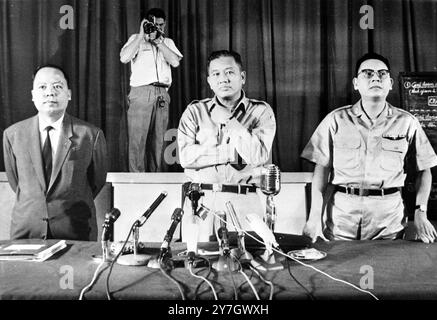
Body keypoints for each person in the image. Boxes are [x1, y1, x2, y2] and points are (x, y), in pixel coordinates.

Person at [301, 52, 437, 244]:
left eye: (382, 74)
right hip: (341, 219)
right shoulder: (335, 120)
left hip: (388, 221)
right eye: (368, 73)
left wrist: (421, 212)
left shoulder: (407, 123)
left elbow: (425, 170)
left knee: (388, 271)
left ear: (390, 83)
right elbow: (321, 170)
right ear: (356, 83)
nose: (375, 78)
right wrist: (314, 217)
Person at [178, 50, 276, 242]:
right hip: (201, 200)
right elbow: (186, 157)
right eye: (216, 74)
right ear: (209, 81)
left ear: (242, 77)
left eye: (229, 72)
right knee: (198, 261)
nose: (223, 79)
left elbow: (258, 155)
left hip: (244, 200)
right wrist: (230, 152)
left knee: (248, 262)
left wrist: (234, 125)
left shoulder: (260, 111)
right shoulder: (195, 111)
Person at [3, 65, 108, 240]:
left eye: (58, 86)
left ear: (69, 94)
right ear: (33, 95)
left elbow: (96, 181)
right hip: (26, 232)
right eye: (42, 87)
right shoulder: (13, 134)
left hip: (76, 230)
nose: (50, 93)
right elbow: (16, 182)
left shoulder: (90, 135)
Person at [120, 8, 183, 172]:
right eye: (154, 25)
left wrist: (159, 41)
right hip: (141, 93)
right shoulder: (135, 39)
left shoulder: (167, 42)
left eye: (161, 25)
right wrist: (142, 35)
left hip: (162, 93)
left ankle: (156, 179)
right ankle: (137, 179)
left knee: (159, 140)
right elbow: (124, 57)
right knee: (137, 139)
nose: (158, 28)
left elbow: (175, 62)